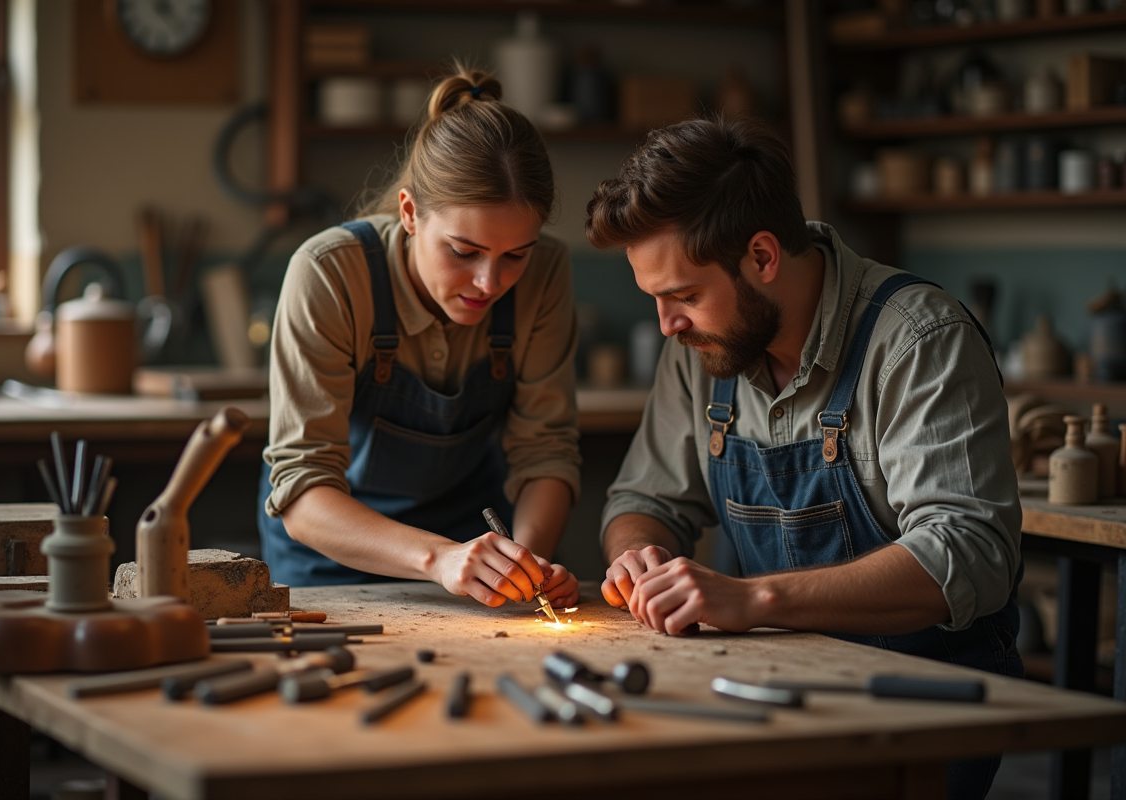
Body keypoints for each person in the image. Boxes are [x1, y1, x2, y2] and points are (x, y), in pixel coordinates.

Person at [585, 116, 1021, 798]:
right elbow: (643, 501)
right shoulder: (702, 350)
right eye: (657, 300)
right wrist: (637, 553)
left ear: (762, 257)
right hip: (768, 688)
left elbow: (968, 554)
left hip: (920, 703)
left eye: (684, 296)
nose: (667, 326)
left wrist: (754, 597)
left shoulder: (918, 341)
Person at [259, 67, 580, 611]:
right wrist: (440, 559)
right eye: (463, 250)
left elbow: (545, 452)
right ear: (410, 213)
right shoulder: (330, 273)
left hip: (473, 552)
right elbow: (302, 492)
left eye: (516, 256)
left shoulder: (546, 272)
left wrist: (521, 564)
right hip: (331, 563)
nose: (489, 283)